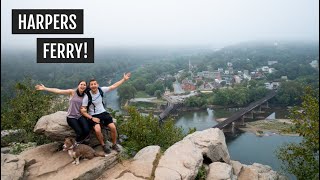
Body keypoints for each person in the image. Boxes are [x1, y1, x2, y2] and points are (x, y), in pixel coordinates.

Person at [80, 73, 131, 153]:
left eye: (95, 84)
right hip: (93, 115)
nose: (93, 86)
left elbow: (113, 86)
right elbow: (82, 111)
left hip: (103, 113)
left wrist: (123, 79)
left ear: (97, 85)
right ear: (89, 86)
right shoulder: (87, 96)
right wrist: (92, 118)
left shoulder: (101, 90)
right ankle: (103, 145)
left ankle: (114, 144)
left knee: (113, 127)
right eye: (91, 84)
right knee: (97, 130)